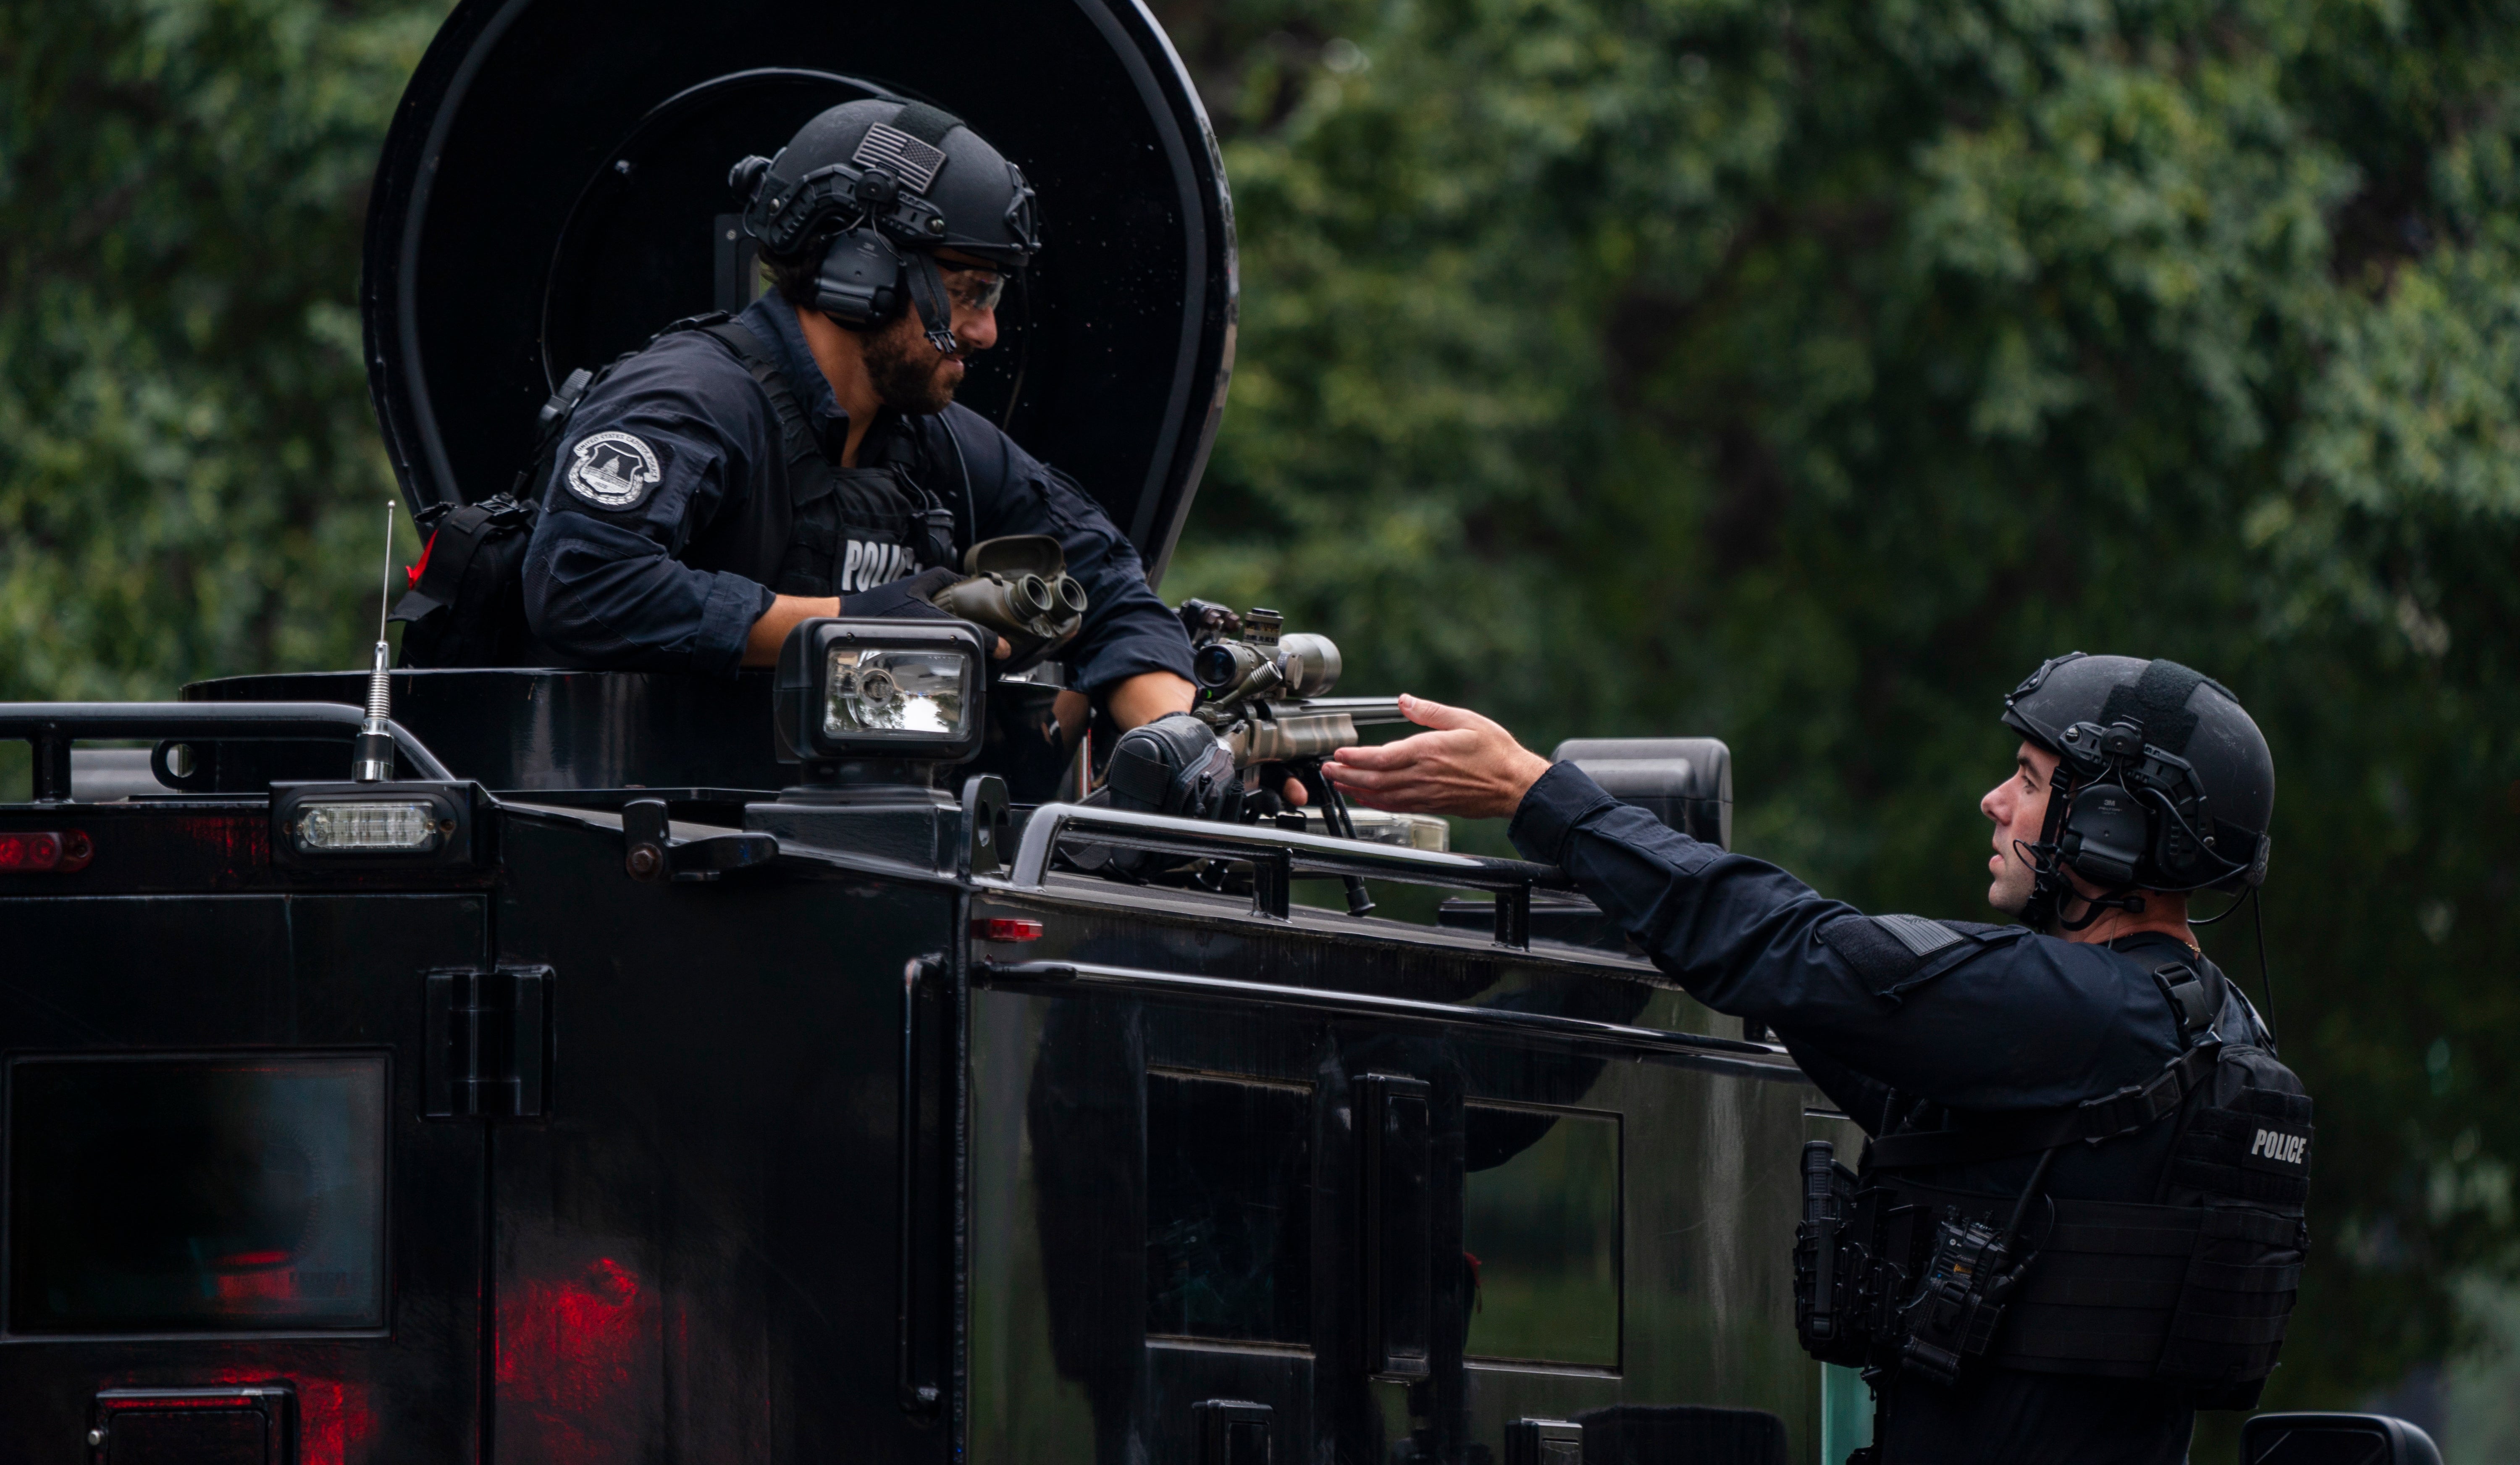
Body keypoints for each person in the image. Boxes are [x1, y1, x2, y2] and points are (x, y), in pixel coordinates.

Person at [1323, 654, 2311, 1465]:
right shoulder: (2212, 1030)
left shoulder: (2081, 1012)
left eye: (2030, 777)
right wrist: (1660, 916)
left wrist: (1540, 795)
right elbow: (1826, 1009)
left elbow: (1804, 950)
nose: (1993, 801)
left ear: (2113, 826)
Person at [520, 97, 1197, 735]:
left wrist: (1177, 745)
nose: (988, 331)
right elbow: (583, 584)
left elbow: (1103, 580)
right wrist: (857, 624)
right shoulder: (691, 399)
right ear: (861, 271)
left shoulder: (933, 442)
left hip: (863, 840)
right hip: (654, 831)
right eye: (970, 292)